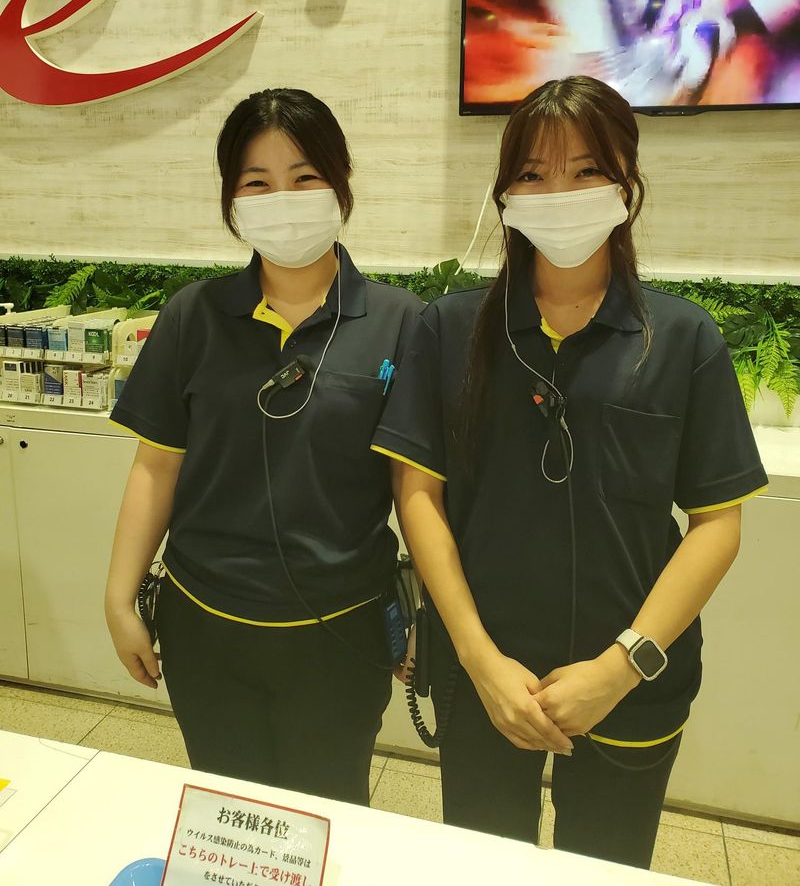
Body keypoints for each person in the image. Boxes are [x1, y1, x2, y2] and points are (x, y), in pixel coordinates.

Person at [372, 76, 768, 867]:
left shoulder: (682, 339)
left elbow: (716, 524)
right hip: (484, 678)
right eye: (533, 173)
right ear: (505, 194)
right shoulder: (449, 329)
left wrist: (621, 667)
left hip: (632, 684)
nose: (560, 193)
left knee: (607, 868)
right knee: (487, 868)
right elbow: (418, 495)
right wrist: (481, 661)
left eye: (587, 170)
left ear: (627, 185)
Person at [105, 88, 421, 804]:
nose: (283, 199)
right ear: (231, 199)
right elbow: (156, 466)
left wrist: (424, 614)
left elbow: (416, 490)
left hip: (341, 630)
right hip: (205, 624)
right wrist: (119, 597)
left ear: (341, 184)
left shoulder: (401, 321)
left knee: (326, 811)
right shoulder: (193, 314)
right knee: (228, 814)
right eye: (257, 182)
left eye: (305, 177)